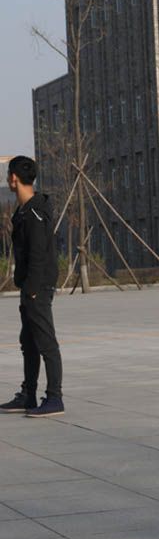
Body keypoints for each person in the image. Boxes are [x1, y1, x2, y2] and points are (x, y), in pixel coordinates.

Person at [0, 156, 64, 417]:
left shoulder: (35, 211)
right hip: (30, 284)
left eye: (8, 175)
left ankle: (54, 398)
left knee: (45, 342)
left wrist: (33, 288)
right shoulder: (25, 210)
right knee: (28, 341)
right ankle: (28, 395)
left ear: (14, 178)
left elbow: (38, 253)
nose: (7, 179)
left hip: (38, 285)